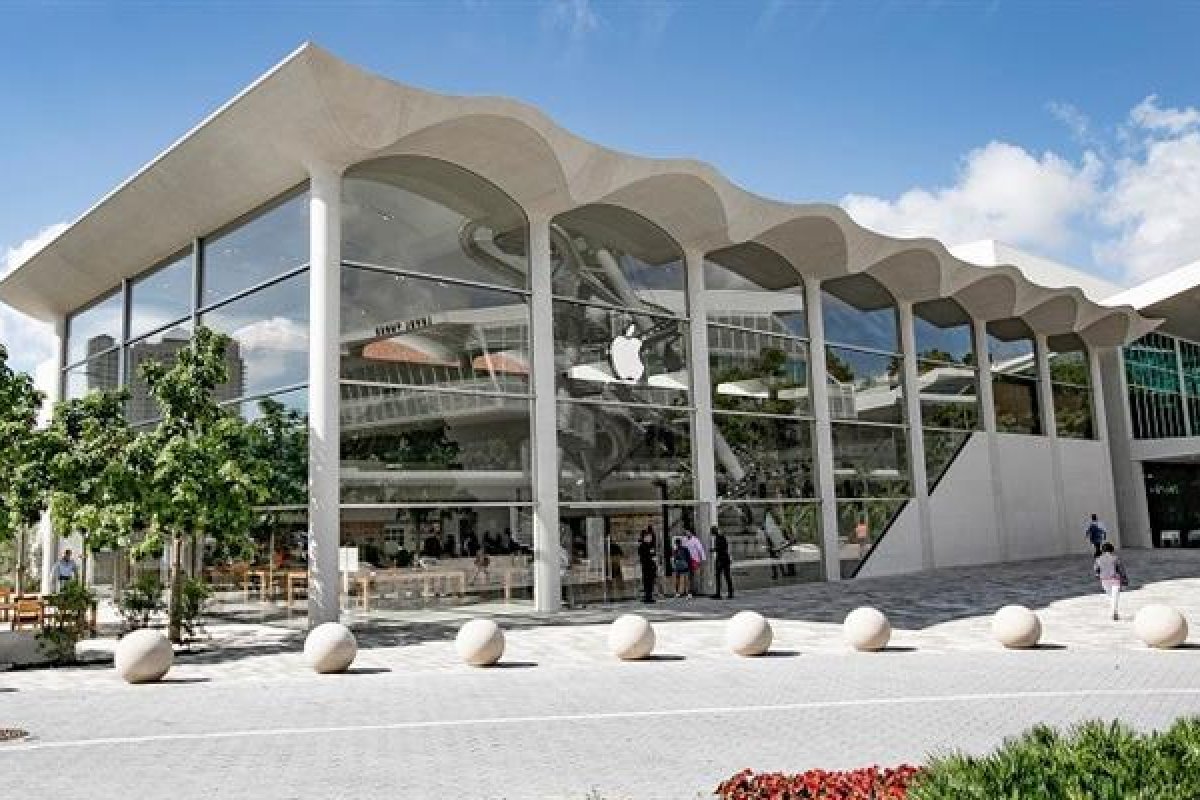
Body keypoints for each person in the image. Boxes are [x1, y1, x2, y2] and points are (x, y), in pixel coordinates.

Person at [1094, 542, 1129, 621]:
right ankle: (1114, 612)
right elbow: (1121, 569)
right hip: (1114, 579)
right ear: (1111, 549)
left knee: (1110, 596)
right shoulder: (1115, 558)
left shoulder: (1098, 559)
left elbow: (1096, 570)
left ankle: (1114, 612)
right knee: (1115, 597)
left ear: (1103, 550)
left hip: (1104, 580)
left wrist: (1098, 576)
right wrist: (1125, 579)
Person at [710, 525, 734, 599]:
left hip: (722, 559)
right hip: (722, 559)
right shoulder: (719, 537)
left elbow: (723, 548)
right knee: (720, 577)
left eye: (712, 531)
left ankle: (728, 593)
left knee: (725, 576)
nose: (711, 533)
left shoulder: (720, 537)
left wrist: (714, 549)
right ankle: (719, 593)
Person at [683, 528, 707, 598]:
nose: (686, 533)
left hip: (695, 560)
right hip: (687, 560)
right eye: (686, 532)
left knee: (694, 576)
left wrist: (703, 558)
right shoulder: (684, 540)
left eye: (688, 532)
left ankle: (695, 590)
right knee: (689, 576)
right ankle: (689, 591)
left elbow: (700, 549)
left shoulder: (695, 540)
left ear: (691, 532)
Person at [637, 531, 657, 603]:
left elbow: (653, 554)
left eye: (651, 537)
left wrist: (654, 559)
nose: (650, 538)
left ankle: (649, 596)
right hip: (646, 566)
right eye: (649, 537)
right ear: (645, 538)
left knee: (650, 581)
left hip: (651, 566)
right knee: (647, 581)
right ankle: (647, 597)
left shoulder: (651, 545)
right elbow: (643, 556)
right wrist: (651, 557)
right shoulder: (642, 546)